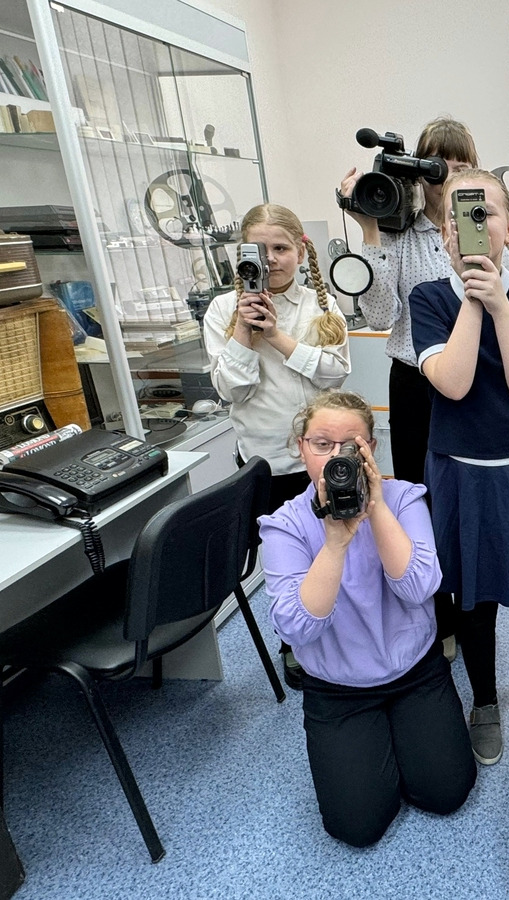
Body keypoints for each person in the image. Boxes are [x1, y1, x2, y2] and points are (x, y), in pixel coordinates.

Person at [259, 389, 476, 848]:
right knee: (356, 826)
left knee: (446, 793)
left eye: (351, 447)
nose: (336, 459)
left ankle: (403, 734)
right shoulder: (284, 525)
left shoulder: (403, 498)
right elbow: (295, 628)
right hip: (337, 688)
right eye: (322, 444)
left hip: (414, 671)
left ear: (371, 450)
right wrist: (335, 541)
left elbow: (419, 588)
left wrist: (375, 509)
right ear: (301, 447)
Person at [410, 168, 509, 767]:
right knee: (471, 597)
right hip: (463, 472)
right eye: (458, 217)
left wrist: (499, 302)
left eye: (484, 214)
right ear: (444, 233)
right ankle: (483, 701)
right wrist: (473, 299)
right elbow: (452, 383)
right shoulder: (429, 298)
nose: (470, 227)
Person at [340, 117, 508, 659]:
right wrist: (370, 230)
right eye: (439, 166)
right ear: (418, 171)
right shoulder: (399, 233)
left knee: (469, 498)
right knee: (420, 499)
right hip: (416, 383)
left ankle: (475, 604)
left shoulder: (482, 228)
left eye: (461, 167)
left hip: (473, 381)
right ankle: (439, 617)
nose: (449, 178)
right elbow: (380, 315)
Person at [204, 202, 351, 689]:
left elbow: (335, 372)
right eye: (258, 251)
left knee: (332, 548)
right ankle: (293, 641)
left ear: (300, 251)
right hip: (265, 462)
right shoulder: (222, 311)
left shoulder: (319, 306)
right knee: (285, 561)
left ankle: (337, 628)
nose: (270, 260)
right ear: (240, 256)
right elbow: (232, 390)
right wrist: (245, 333)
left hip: (322, 460)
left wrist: (278, 338)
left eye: (281, 248)